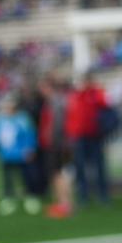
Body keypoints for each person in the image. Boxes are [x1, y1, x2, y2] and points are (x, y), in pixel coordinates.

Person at [0, 96, 40, 216]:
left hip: (22, 154)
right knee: (7, 179)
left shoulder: (23, 119)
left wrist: (30, 148)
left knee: (27, 177)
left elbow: (30, 134)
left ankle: (30, 198)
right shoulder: (0, 120)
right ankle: (8, 199)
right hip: (6, 155)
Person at [65, 71, 110, 205]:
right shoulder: (75, 96)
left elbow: (105, 107)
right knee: (80, 167)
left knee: (99, 167)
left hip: (95, 136)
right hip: (79, 137)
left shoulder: (97, 94)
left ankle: (103, 195)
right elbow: (71, 117)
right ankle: (83, 196)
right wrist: (71, 134)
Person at [39, 75, 74, 218]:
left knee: (58, 174)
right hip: (57, 144)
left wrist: (54, 141)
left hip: (57, 145)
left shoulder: (56, 102)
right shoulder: (55, 101)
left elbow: (58, 124)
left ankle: (65, 204)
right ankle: (62, 203)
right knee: (57, 174)